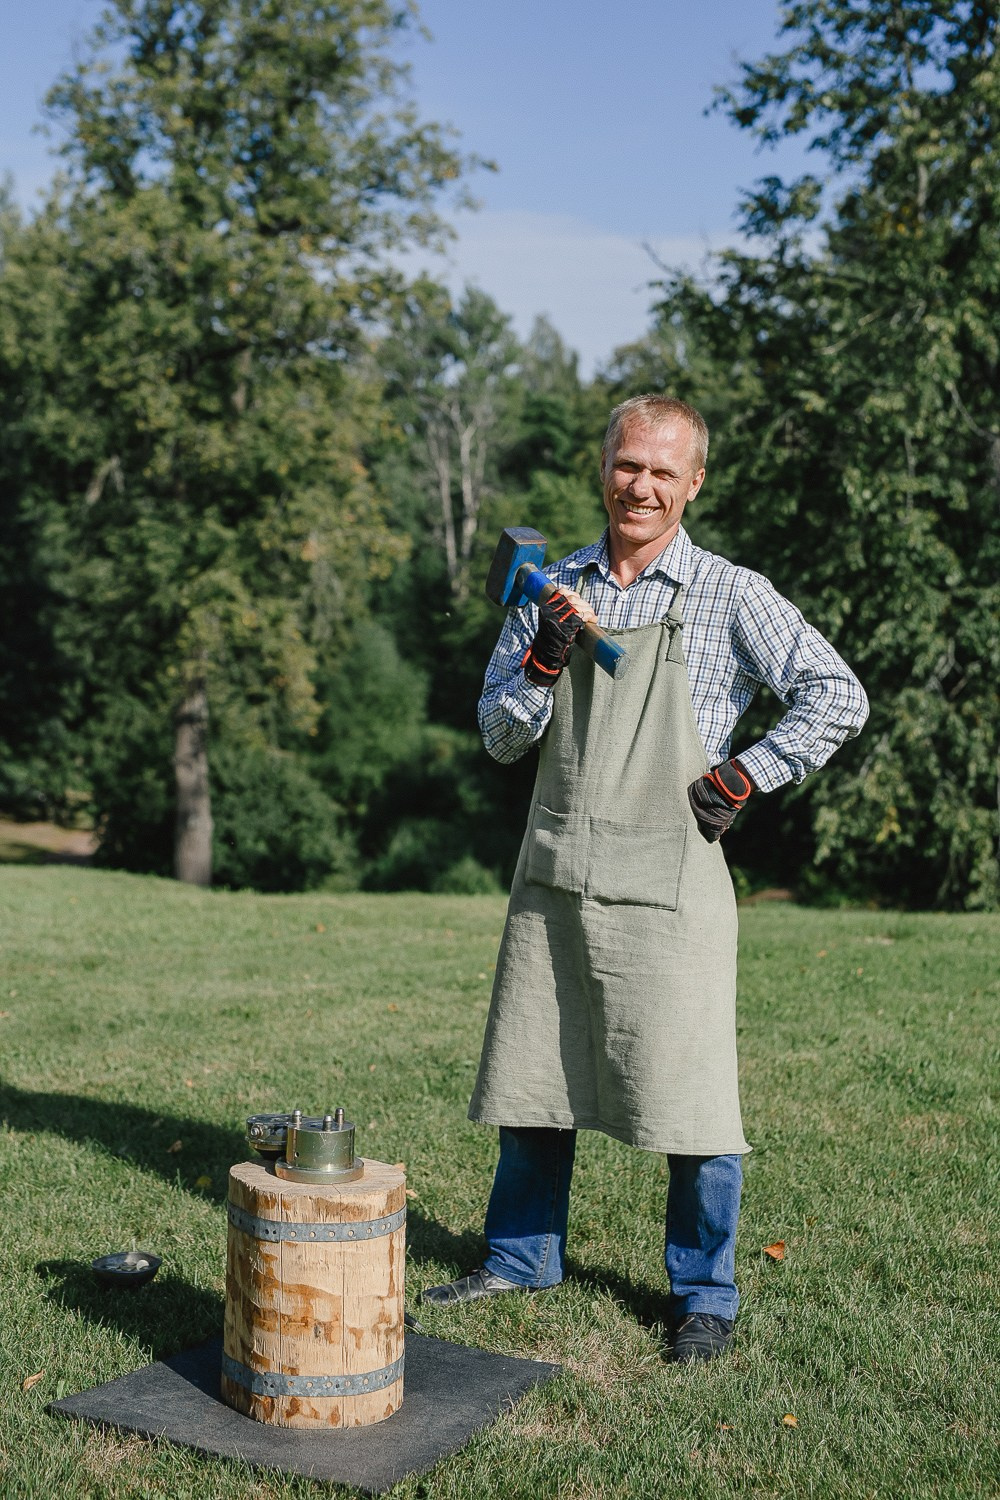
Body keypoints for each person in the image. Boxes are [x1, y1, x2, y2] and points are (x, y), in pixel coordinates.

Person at [421, 394, 868, 1362]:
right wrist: (541, 657)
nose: (643, 485)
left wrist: (750, 771)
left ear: (693, 483)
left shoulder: (726, 590)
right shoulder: (548, 584)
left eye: (665, 471)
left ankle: (703, 1293)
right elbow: (500, 738)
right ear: (603, 466)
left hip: (672, 881)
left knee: (694, 1095)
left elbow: (839, 694)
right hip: (558, 868)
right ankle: (519, 1256)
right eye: (629, 464)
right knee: (536, 1073)